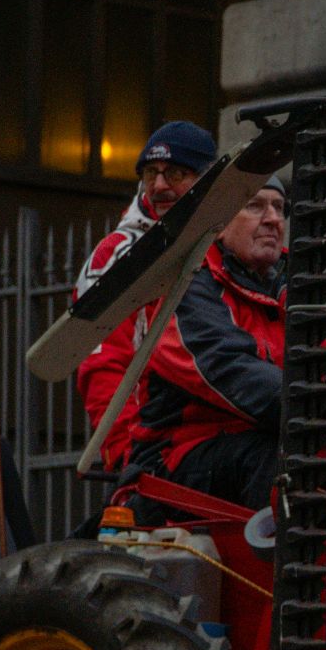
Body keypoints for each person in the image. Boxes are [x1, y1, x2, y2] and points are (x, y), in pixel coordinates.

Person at [129, 175, 326, 551]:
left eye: (279, 208)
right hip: (180, 459)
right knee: (283, 466)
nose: (273, 219)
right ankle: (295, 604)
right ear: (218, 225)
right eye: (255, 206)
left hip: (279, 443)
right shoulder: (184, 285)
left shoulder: (294, 288)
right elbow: (224, 368)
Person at [73, 120, 216, 471]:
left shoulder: (227, 244)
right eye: (151, 173)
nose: (159, 185)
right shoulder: (117, 256)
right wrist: (126, 453)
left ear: (208, 179)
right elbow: (101, 365)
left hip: (219, 441)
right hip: (153, 455)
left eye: (176, 173)